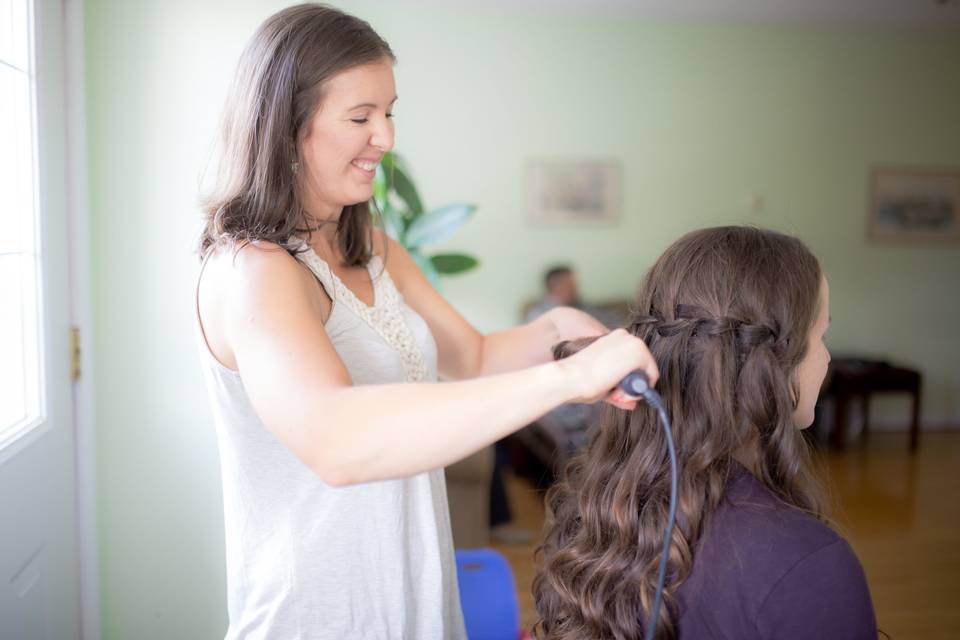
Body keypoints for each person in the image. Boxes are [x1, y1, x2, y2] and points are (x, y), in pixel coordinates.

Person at [193, 4, 657, 639]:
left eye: (389, 113)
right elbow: (338, 440)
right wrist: (567, 380)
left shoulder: (375, 247)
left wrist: (556, 331)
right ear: (285, 126)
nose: (385, 137)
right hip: (319, 616)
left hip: (416, 598)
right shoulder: (253, 270)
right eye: (360, 117)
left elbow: (471, 356)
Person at [533, 226, 877, 639]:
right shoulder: (808, 564)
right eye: (821, 335)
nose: (826, 357)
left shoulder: (601, 505)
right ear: (774, 362)